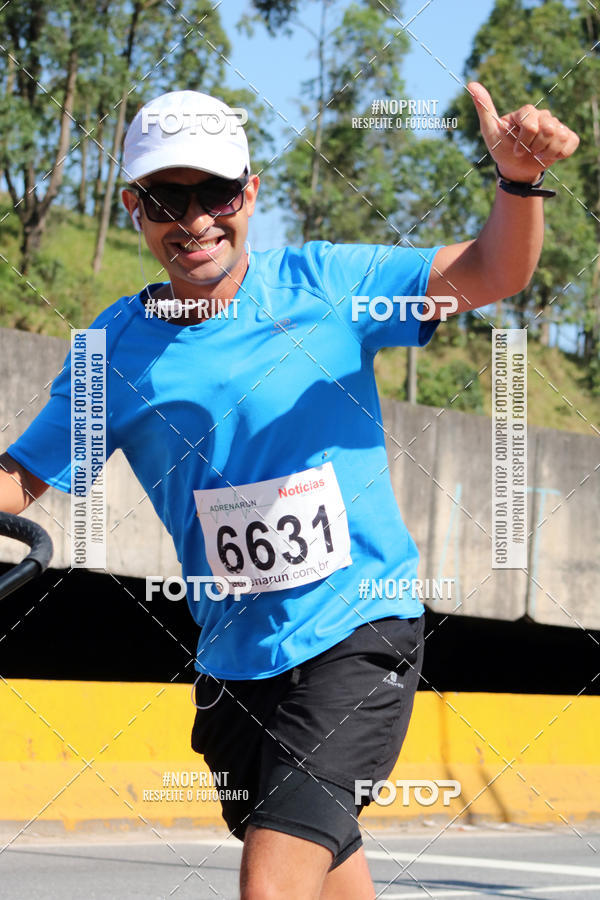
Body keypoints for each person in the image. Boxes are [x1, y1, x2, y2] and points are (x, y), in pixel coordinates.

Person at [0, 84, 578, 899]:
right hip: (237, 659)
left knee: (273, 881)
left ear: (252, 194)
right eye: (167, 197)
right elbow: (22, 476)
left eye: (217, 193)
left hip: (357, 631)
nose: (195, 218)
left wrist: (517, 187)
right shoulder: (113, 352)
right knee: (328, 877)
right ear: (134, 207)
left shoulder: (330, 285)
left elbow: (489, 271)